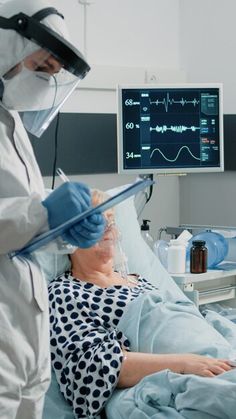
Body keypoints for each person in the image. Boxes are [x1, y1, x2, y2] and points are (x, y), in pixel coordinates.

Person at [0, 1, 105, 418]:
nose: (45, 82)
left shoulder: (12, 125)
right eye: (41, 68)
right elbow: (28, 213)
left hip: (29, 346)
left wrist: (68, 230)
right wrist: (45, 211)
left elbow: (23, 223)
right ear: (7, 45)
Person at [48, 190, 234, 419]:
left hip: (214, 351)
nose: (109, 228)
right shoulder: (65, 291)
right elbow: (90, 367)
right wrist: (184, 364)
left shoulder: (137, 279)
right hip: (188, 368)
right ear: (69, 239)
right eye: (96, 221)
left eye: (112, 220)